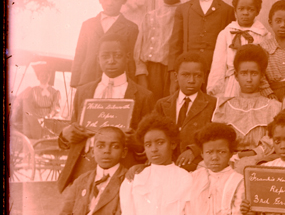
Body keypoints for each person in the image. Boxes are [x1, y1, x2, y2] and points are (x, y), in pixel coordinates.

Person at [57, 34, 155, 192]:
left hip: (123, 169)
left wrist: (136, 142)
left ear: (127, 57)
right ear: (98, 58)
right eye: (105, 56)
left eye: (117, 55)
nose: (111, 61)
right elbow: (72, 132)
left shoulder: (144, 96)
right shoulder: (83, 92)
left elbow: (148, 144)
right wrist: (65, 134)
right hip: (84, 166)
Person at [167, 0, 236, 84]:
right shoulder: (183, 9)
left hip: (215, 71)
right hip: (188, 72)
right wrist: (173, 73)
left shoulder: (228, 10)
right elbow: (175, 45)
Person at [211, 44, 281, 159]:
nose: (249, 79)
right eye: (244, 73)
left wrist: (248, 155)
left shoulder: (274, 107)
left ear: (262, 76)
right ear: (236, 76)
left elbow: (273, 140)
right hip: (228, 160)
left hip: (261, 161)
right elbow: (217, 139)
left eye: (254, 73)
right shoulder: (224, 106)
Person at [152, 52, 217, 171]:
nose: (191, 80)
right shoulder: (162, 104)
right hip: (166, 165)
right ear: (176, 76)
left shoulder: (213, 104)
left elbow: (216, 137)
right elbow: (154, 135)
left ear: (204, 77)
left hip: (197, 165)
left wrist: (194, 150)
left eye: (197, 75)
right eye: (185, 75)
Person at [70, 0, 139, 88]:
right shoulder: (88, 25)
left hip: (117, 83)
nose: (110, 3)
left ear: (124, 0)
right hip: (88, 80)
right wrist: (75, 82)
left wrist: (131, 84)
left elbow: (131, 60)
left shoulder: (131, 28)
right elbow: (79, 55)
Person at [135, 0, 187, 101]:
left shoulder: (186, 14)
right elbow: (139, 50)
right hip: (152, 72)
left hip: (175, 71)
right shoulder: (150, 16)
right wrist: (142, 75)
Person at [206, 0, 270, 98]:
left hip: (256, 84)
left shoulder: (264, 35)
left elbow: (267, 66)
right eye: (241, 9)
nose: (245, 13)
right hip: (232, 85)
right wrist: (215, 91)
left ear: (257, 11)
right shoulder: (226, 34)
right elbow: (218, 65)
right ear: (235, 10)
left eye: (250, 9)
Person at [11, 61, 62, 139]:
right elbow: (28, 106)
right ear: (38, 77)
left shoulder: (55, 92)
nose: (44, 78)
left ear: (49, 77)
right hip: (35, 119)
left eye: (46, 75)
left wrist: (49, 116)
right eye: (42, 76)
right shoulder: (32, 91)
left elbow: (56, 107)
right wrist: (36, 118)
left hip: (50, 119)